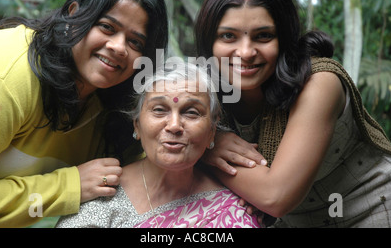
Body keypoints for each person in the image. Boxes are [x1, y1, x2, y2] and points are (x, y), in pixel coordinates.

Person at [194, 0, 391, 228]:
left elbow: (275, 196)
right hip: (294, 219)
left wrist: (201, 148)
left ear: (284, 39)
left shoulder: (320, 82)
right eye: (229, 36)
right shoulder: (204, 89)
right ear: (210, 42)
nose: (245, 52)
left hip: (370, 205)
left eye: (263, 36)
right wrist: (205, 142)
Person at [0, 0, 168, 227]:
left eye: (135, 42)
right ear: (74, 15)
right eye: (106, 27)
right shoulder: (5, 75)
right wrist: (69, 186)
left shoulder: (111, 103)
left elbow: (150, 169)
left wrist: (208, 147)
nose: (118, 47)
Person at [56, 62, 262, 228]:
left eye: (191, 112)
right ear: (137, 124)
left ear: (212, 131)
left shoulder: (234, 207)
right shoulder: (101, 194)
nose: (174, 126)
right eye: (159, 110)